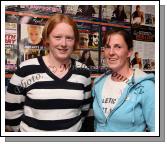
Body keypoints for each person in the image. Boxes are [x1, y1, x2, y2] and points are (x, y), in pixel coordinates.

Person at [5, 14, 92, 132]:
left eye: (69, 38)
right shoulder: (25, 70)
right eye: (57, 37)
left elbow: (84, 111)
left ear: (75, 41)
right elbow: (11, 113)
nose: (64, 43)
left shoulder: (83, 72)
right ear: (47, 39)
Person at [92, 29, 155, 132]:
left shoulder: (146, 87)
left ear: (129, 52)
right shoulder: (98, 83)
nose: (111, 52)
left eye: (118, 47)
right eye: (108, 47)